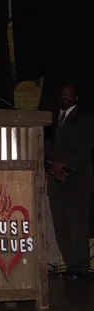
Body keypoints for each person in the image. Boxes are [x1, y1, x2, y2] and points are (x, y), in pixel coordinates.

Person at [45, 83, 94, 279]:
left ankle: (81, 268)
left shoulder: (85, 119)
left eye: (69, 93)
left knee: (77, 224)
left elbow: (83, 148)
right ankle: (71, 265)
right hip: (56, 180)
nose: (65, 95)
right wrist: (50, 166)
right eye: (62, 92)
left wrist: (62, 165)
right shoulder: (53, 119)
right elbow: (46, 145)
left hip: (76, 179)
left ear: (76, 98)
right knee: (61, 225)